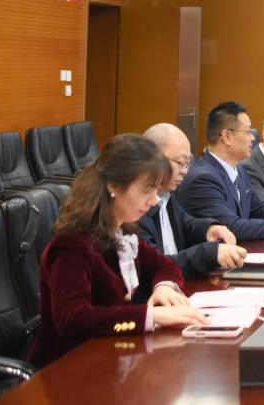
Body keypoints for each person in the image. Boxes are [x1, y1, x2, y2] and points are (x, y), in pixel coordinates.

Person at [27, 134, 208, 366]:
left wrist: (164, 286)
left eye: (156, 190)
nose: (154, 200)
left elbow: (164, 264)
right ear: (113, 185)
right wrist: (151, 316)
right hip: (66, 367)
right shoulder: (71, 245)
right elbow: (73, 318)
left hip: (110, 357)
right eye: (147, 190)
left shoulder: (122, 233)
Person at [177, 101, 264, 241]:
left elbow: (261, 207)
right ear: (227, 136)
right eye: (248, 131)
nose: (253, 137)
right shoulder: (203, 179)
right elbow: (231, 228)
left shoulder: (239, 169)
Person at [137, 123, 247, 277]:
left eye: (188, 164)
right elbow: (154, 267)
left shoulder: (167, 196)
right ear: (153, 159)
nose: (185, 171)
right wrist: (209, 253)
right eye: (180, 163)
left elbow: (186, 223)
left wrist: (209, 228)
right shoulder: (136, 209)